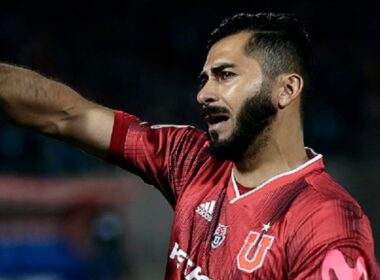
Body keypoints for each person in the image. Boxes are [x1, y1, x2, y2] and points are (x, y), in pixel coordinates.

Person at [0, 12, 378, 279]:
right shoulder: (189, 159)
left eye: (225, 75)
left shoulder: (327, 221)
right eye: (204, 79)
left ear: (286, 89)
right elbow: (68, 116)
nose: (204, 93)